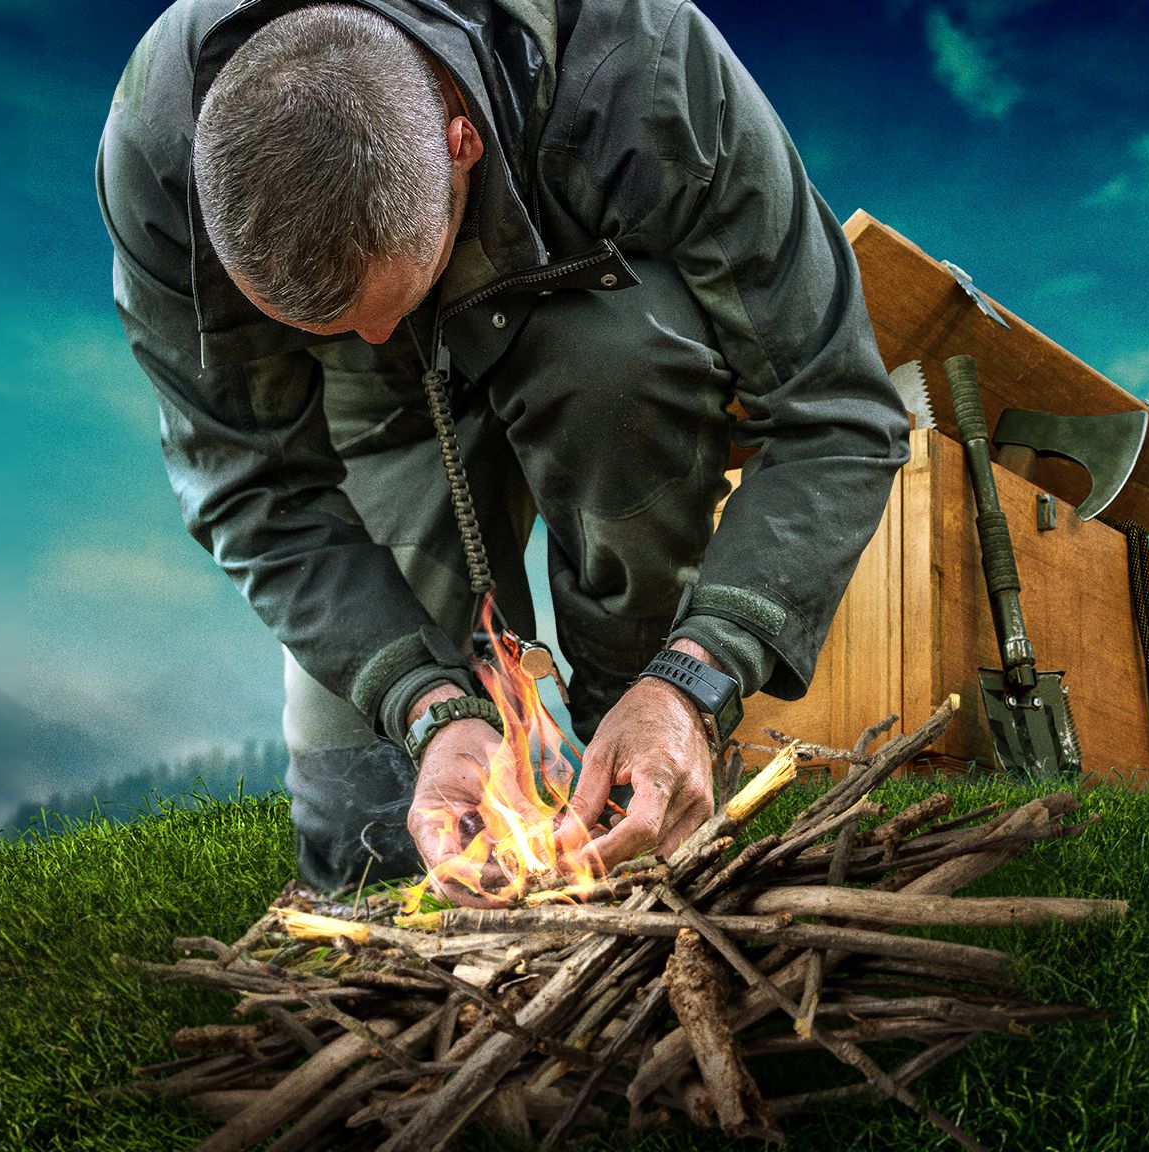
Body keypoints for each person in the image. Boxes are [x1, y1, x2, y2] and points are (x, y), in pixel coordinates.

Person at [96, 0, 909, 894]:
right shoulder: (154, 150)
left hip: (597, 335)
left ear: (460, 142)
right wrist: (426, 705)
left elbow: (835, 407)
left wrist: (691, 679)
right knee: (369, 837)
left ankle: (634, 750)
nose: (372, 336)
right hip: (375, 418)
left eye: (384, 302)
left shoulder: (644, 63)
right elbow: (250, 489)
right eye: (321, 324)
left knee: (618, 370)